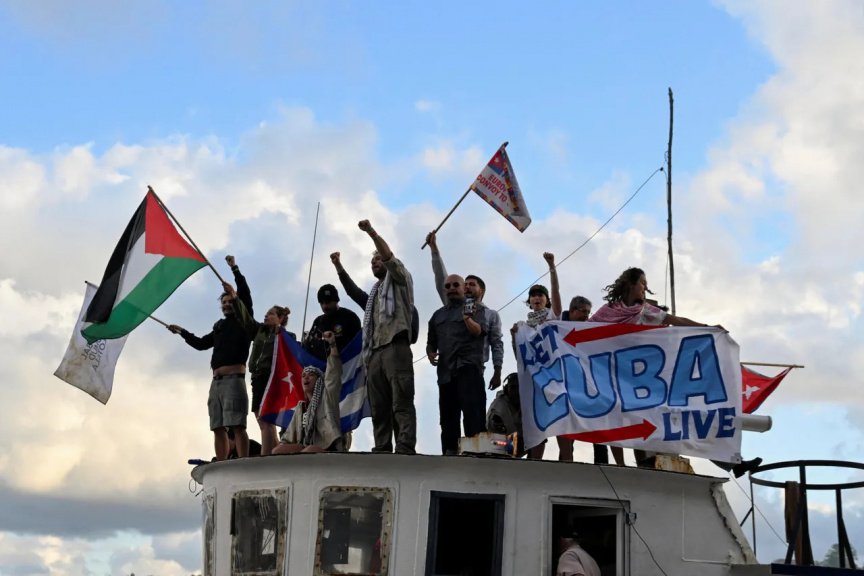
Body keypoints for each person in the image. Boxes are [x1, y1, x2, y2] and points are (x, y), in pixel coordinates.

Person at [590, 267, 761, 477]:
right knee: (639, 424)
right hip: (618, 380)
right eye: (642, 282)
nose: (645, 287)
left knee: (689, 417)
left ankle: (733, 462)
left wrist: (707, 327)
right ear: (630, 284)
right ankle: (644, 470)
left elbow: (677, 321)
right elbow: (583, 330)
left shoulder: (647, 311)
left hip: (650, 382)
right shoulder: (608, 311)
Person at [330, 220, 417, 454]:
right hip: (374, 352)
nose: (375, 262)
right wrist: (338, 266)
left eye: (378, 259)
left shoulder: (400, 280)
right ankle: (382, 447)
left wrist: (371, 232)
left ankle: (405, 446)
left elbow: (389, 258)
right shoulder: (374, 296)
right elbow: (353, 292)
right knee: (379, 406)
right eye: (372, 261)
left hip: (395, 346)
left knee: (401, 400)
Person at [167, 255, 252, 461]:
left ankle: (243, 461)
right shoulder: (219, 326)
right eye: (224, 302)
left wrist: (235, 269)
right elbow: (201, 344)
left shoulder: (244, 320)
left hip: (234, 380)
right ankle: (221, 462)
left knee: (237, 424)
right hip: (216, 382)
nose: (226, 305)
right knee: (217, 426)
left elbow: (246, 295)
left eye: (230, 301)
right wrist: (182, 332)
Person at [425, 231, 504, 390]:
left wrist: (497, 371)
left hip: (473, 368)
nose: (467, 287)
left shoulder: (490, 314)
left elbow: (496, 343)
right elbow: (441, 278)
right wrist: (434, 249)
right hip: (449, 370)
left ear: (481, 290)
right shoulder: (452, 307)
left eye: (472, 284)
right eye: (465, 284)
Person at [227, 280, 293, 457]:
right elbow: (245, 317)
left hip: (270, 378)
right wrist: (234, 297)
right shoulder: (259, 331)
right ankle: (276, 453)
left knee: (265, 419)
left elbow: (291, 355)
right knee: (262, 419)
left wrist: (280, 334)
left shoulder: (286, 336)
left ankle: (265, 456)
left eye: (270, 314)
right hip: (257, 378)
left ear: (280, 318)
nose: (266, 316)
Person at [427, 273, 489, 455]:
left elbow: (479, 331)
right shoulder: (437, 315)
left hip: (468, 369)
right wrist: (430, 353)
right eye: (448, 286)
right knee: (448, 419)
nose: (451, 289)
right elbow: (431, 342)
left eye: (456, 285)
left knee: (473, 417)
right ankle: (450, 457)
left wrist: (467, 319)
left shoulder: (475, 308)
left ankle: (475, 456)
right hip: (445, 373)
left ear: (464, 288)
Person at [510, 252, 562, 460]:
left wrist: (552, 266)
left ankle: (566, 462)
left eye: (541, 295)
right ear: (529, 302)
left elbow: (557, 292)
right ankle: (534, 462)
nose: (537, 298)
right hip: (534, 381)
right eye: (533, 296)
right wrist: (514, 337)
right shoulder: (522, 327)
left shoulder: (553, 317)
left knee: (561, 421)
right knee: (535, 423)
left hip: (555, 378)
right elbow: (520, 359)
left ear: (547, 301)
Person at [274, 331, 347, 453]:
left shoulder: (327, 397)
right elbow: (288, 437)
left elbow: (333, 373)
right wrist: (283, 446)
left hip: (327, 448)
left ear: (319, 381)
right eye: (303, 376)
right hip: (304, 448)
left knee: (309, 450)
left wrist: (332, 345)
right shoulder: (301, 408)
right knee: (277, 451)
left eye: (311, 375)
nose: (306, 378)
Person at [303, 284, 362, 362]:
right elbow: (309, 345)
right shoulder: (318, 321)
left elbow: (358, 344)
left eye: (327, 303)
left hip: (345, 364)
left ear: (336, 301)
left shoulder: (349, 317)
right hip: (321, 366)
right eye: (322, 303)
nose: (324, 306)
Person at [486, 373, 526, 458]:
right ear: (506, 388)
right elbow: (495, 434)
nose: (516, 392)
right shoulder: (498, 408)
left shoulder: (530, 403)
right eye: (513, 388)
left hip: (521, 440)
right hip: (500, 444)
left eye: (519, 387)